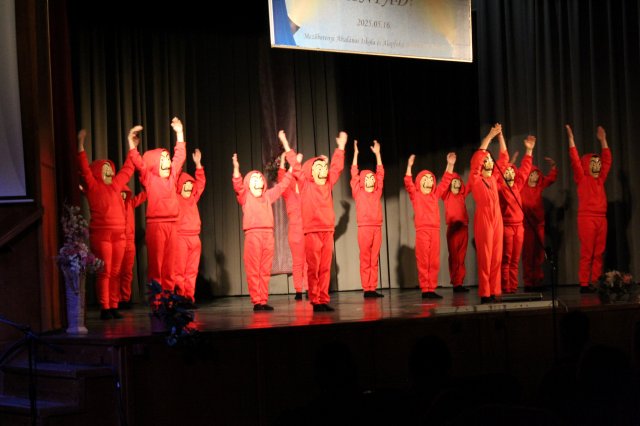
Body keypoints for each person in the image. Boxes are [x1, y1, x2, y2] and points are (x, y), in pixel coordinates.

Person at [279, 129, 347, 312]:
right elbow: (296, 165)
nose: (323, 171)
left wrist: (341, 147)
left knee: (325, 268)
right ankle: (315, 300)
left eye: (324, 168)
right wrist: (285, 143)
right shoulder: (305, 184)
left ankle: (323, 299)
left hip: (327, 230)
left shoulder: (328, 183)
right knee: (313, 268)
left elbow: (336, 168)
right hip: (312, 231)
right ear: (310, 172)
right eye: (319, 168)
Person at [77, 128, 135, 319]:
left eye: (110, 169)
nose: (110, 172)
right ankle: (105, 307)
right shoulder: (93, 186)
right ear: (97, 173)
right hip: (102, 235)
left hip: (119, 234)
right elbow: (84, 169)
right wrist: (80, 145)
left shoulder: (117, 185)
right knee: (106, 271)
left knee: (116, 271)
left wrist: (132, 146)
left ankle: (114, 304)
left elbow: (128, 169)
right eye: (105, 169)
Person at [127, 118, 186, 293]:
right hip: (156, 225)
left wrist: (179, 133)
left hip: (173, 224)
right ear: (154, 163)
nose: (167, 163)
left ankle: (168, 299)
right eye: (163, 160)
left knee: (170, 266)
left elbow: (180, 157)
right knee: (156, 266)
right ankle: (158, 301)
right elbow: (139, 163)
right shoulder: (149, 178)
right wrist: (131, 144)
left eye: (168, 159)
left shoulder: (173, 177)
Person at [232, 149, 292, 311]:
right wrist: (236, 168)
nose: (258, 181)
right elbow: (237, 185)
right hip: (253, 235)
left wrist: (291, 169)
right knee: (253, 269)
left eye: (260, 178)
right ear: (248, 184)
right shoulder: (245, 196)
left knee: (265, 270)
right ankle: (257, 301)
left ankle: (263, 300)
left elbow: (282, 186)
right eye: (254, 179)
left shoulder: (267, 196)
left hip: (268, 235)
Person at [404, 151, 457, 299]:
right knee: (423, 260)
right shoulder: (416, 195)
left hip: (434, 231)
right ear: (419, 182)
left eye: (430, 179)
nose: (428, 182)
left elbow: (445, 181)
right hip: (422, 231)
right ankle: (425, 289)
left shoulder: (434, 195)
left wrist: (450, 165)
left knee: (434, 260)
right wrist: (409, 166)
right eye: (425, 179)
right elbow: (408, 183)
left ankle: (431, 289)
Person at [566, 124, 611, 293]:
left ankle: (595, 281)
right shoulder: (582, 178)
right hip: (587, 218)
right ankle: (584, 283)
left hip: (601, 218)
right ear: (586, 165)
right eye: (593, 163)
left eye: (598, 163)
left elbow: (607, 160)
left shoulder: (601, 179)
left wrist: (603, 141)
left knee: (599, 253)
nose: (597, 166)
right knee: (587, 252)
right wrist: (571, 140)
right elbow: (575, 160)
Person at [468, 124, 504, 303]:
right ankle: (485, 292)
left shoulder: (494, 179)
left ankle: (494, 290)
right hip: (484, 218)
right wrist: (490, 136)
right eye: (487, 159)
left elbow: (503, 160)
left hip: (497, 218)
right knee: (486, 257)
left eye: (490, 159)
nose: (489, 161)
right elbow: (478, 157)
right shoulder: (476, 179)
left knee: (496, 257)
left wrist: (500, 136)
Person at [496, 133, 534, 294]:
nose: (510, 174)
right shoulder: (500, 188)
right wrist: (501, 140)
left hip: (519, 227)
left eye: (512, 172)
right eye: (507, 172)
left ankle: (513, 287)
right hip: (506, 227)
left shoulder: (517, 185)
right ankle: (505, 287)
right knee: (506, 259)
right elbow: (498, 173)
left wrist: (529, 151)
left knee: (515, 260)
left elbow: (525, 170)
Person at [350, 139, 385, 298]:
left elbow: (380, 174)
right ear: (362, 182)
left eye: (372, 178)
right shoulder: (358, 193)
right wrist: (355, 154)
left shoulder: (377, 192)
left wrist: (378, 154)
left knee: (374, 259)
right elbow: (354, 174)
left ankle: (372, 287)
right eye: (367, 178)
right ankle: (367, 288)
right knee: (365, 258)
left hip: (377, 228)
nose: (371, 180)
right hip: (364, 228)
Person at [520, 156, 557, 291]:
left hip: (539, 225)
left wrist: (553, 167)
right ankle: (528, 282)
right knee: (528, 255)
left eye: (536, 174)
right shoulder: (522, 187)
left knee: (539, 255)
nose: (534, 177)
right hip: (527, 226)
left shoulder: (540, 186)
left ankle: (537, 281)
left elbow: (551, 179)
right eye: (532, 174)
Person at [175, 148, 206, 307]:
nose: (188, 187)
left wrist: (198, 164)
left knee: (192, 271)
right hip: (180, 237)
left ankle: (189, 297)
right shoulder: (175, 198)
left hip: (195, 238)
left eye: (190, 184)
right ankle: (180, 297)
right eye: (185, 184)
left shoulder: (193, 197)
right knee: (179, 270)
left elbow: (201, 183)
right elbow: (173, 180)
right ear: (180, 186)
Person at [278, 151, 308, 300]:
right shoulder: (288, 194)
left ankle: (309, 288)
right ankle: (298, 290)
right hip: (295, 232)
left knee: (308, 262)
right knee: (297, 262)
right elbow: (281, 179)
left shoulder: (306, 191)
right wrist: (283, 161)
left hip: (307, 229)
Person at [440, 171, 470, 293]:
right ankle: (455, 282)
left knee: (461, 257)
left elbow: (471, 184)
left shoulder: (462, 195)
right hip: (453, 229)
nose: (457, 183)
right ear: (450, 183)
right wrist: (449, 171)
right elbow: (443, 185)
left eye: (458, 180)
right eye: (454, 181)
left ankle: (459, 282)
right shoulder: (446, 195)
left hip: (463, 228)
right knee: (454, 257)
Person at [118, 187, 147, 309]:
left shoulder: (130, 203)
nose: (123, 196)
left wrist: (149, 188)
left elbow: (142, 197)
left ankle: (125, 298)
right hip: (118, 241)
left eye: (125, 193)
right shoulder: (114, 205)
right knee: (116, 272)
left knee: (127, 272)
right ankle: (116, 299)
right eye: (121, 193)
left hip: (129, 242)